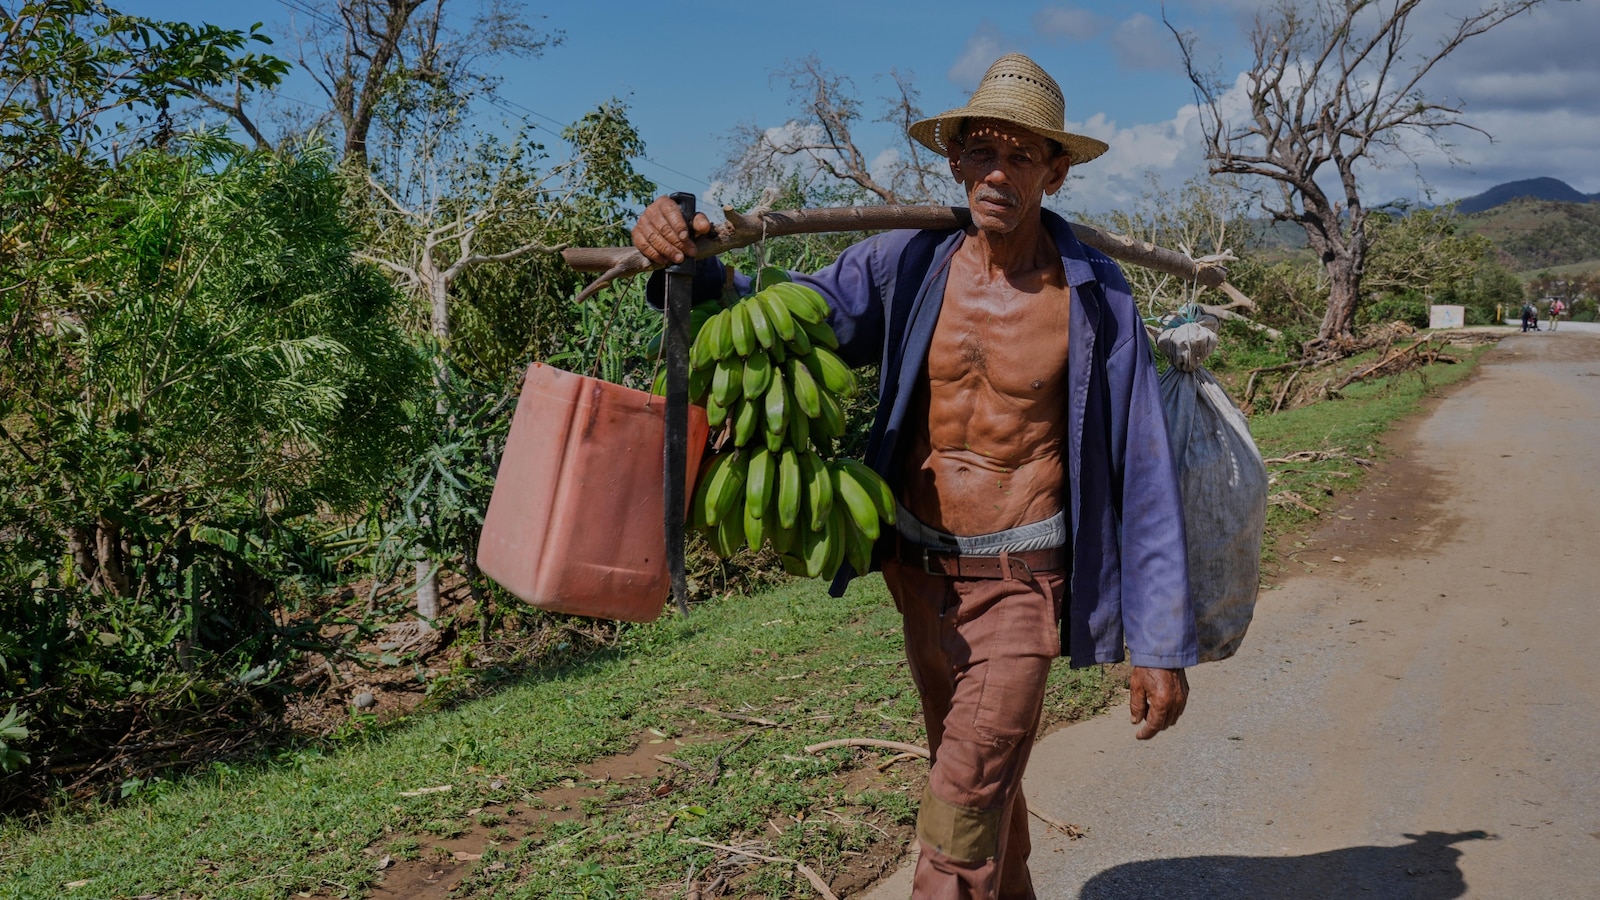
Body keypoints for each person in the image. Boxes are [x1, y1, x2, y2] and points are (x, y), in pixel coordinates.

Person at [633, 53, 1195, 900]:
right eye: (978, 151)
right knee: (970, 776)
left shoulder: (1095, 298)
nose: (995, 173)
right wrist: (690, 259)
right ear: (953, 158)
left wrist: (1157, 641)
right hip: (918, 574)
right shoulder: (905, 264)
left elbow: (1143, 466)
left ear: (1057, 169)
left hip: (1022, 583)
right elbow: (784, 324)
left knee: (961, 802)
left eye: (1019, 155)